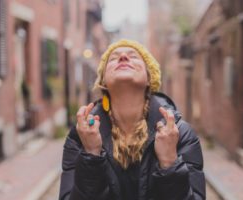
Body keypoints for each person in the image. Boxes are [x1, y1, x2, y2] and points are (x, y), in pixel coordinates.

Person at [59, 39, 206, 200]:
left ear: (150, 78)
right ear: (103, 82)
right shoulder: (81, 136)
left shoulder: (179, 134)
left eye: (133, 56)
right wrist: (91, 155)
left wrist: (170, 161)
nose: (123, 56)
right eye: (114, 58)